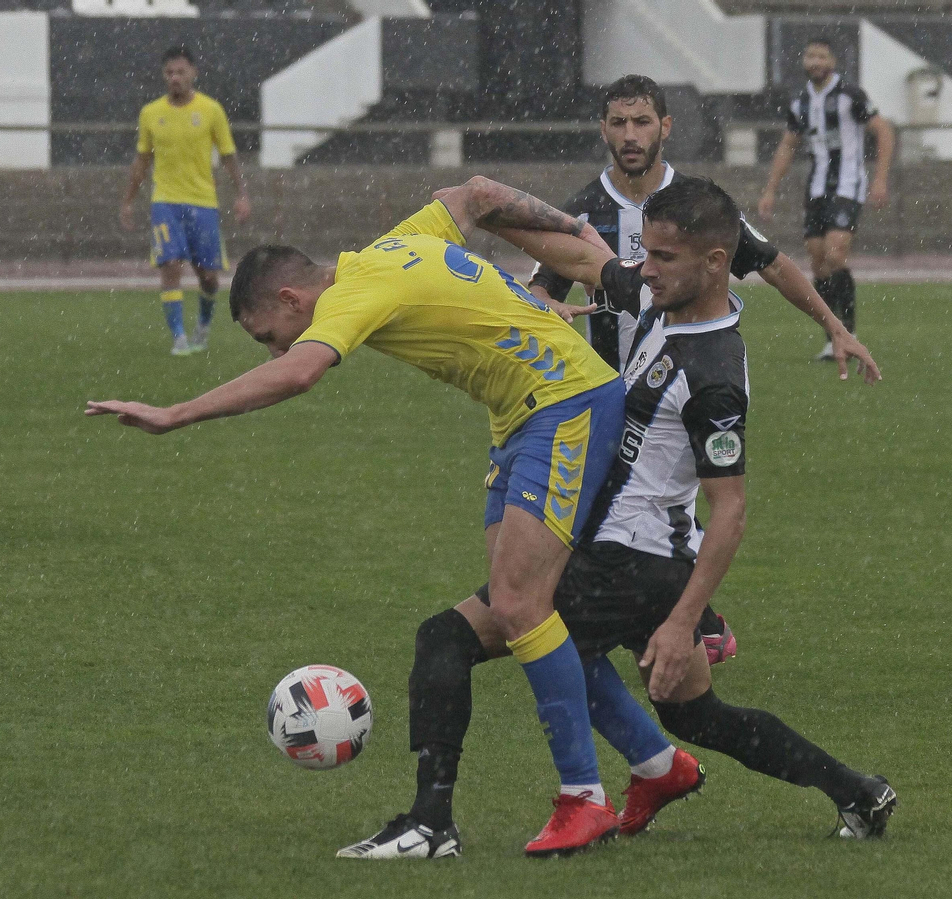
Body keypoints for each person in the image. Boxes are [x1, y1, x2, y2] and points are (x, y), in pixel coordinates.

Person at [338, 177, 896, 861]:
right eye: (648, 254)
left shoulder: (714, 372)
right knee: (698, 713)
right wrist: (480, 220)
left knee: (452, 638)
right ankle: (856, 790)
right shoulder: (662, 299)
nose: (645, 268)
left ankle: (437, 820)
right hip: (633, 559)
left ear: (715, 264)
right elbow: (585, 260)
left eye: (662, 257)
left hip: (630, 564)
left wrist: (684, 619)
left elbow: (731, 511)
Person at [87, 178, 637, 857]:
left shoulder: (351, 292)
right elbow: (476, 193)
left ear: (292, 300)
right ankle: (655, 763)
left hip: (565, 401)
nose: (275, 350)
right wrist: (586, 242)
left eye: (269, 335)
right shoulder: (394, 245)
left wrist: (174, 413)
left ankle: (584, 798)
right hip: (519, 420)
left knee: (522, 604)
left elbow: (299, 375)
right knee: (512, 608)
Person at [529, 74, 882, 663]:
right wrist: (548, 309)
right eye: (618, 123)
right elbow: (540, 287)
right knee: (619, 518)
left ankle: (650, 630)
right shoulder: (584, 210)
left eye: (642, 122)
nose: (630, 135)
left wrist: (835, 326)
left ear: (666, 126)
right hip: (607, 397)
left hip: (678, 389)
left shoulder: (698, 207)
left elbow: (770, 265)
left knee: (625, 517)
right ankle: (682, 626)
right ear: (603, 130)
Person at [758, 37, 896, 361]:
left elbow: (884, 131)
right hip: (816, 187)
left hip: (848, 183)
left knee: (835, 255)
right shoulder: (800, 102)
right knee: (818, 263)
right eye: (810, 54)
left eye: (821, 55)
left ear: (833, 61)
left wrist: (880, 178)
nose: (815, 61)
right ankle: (830, 337)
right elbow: (789, 145)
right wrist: (770, 189)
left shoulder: (850, 95)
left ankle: (849, 330)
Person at [118, 46, 252, 356]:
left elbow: (229, 156)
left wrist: (242, 194)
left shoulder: (210, 110)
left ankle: (203, 326)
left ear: (193, 73)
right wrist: (128, 200)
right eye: (169, 73)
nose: (175, 78)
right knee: (170, 265)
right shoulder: (151, 113)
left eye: (180, 72)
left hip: (202, 202)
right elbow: (141, 160)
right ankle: (178, 337)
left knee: (207, 276)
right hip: (165, 201)